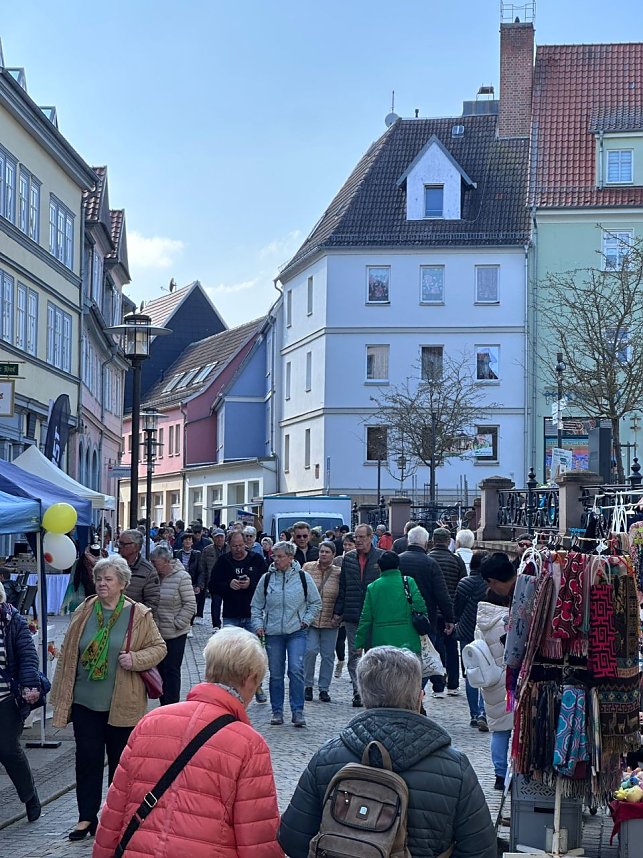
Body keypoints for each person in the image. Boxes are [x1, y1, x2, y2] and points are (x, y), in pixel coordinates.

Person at [278, 646, 497, 858]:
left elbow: (292, 839)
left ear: (364, 696)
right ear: (420, 697)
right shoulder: (455, 767)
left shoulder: (327, 757)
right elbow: (480, 849)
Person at [93, 627, 285, 858]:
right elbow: (256, 838)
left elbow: (115, 808)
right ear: (252, 678)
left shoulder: (150, 722)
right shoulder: (249, 745)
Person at [50, 555, 166, 841]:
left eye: (108, 579)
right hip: (85, 701)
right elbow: (69, 648)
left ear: (122, 584)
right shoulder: (85, 609)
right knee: (87, 759)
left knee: (120, 764)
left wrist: (136, 658)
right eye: (99, 579)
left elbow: (159, 647)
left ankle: (117, 817)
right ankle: (86, 818)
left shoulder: (138, 614)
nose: (102, 584)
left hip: (122, 703)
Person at [251, 541, 321, 727]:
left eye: (281, 556)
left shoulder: (303, 577)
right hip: (273, 632)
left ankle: (297, 711)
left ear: (291, 558)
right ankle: (277, 711)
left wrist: (306, 620)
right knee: (275, 673)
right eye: (275, 556)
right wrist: (258, 624)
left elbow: (315, 602)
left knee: (296, 670)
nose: (277, 560)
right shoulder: (266, 578)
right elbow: (256, 605)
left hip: (296, 631)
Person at [210, 530, 267, 703]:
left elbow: (266, 583)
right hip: (231, 614)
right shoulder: (223, 561)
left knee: (255, 653)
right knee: (229, 654)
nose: (238, 549)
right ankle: (229, 686)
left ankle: (257, 685)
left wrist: (251, 584)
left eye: (241, 545)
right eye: (235, 546)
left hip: (252, 614)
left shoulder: (256, 560)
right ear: (229, 545)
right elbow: (212, 586)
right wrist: (229, 585)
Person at [0, 581, 41, 822]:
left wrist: (29, 685)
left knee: (7, 749)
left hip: (6, 697)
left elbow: (27, 656)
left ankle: (29, 795)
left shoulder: (12, 621)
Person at [476, 552, 517, 790]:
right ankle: (514, 771)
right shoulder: (509, 615)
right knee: (516, 728)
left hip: (492, 682)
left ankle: (500, 775)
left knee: (499, 730)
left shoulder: (482, 620)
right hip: (511, 681)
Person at [332, 523, 382, 707]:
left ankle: (373, 691)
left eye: (362, 537)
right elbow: (343, 587)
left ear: (370, 538)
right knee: (354, 655)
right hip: (353, 614)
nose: (358, 541)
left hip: (375, 615)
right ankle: (358, 691)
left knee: (374, 655)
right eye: (356, 538)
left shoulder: (381, 557)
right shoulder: (349, 559)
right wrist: (338, 611)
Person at [355, 551, 426, 656]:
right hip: (408, 638)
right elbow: (420, 606)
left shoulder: (373, 587)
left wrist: (359, 642)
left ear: (379, 567)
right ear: (398, 565)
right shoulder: (408, 581)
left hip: (381, 642)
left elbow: (365, 618)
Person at [150, 546, 197, 705]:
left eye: (155, 562)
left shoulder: (182, 577)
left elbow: (190, 604)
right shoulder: (155, 577)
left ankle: (172, 705)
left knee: (172, 671)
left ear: (165, 561)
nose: (153, 565)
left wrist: (178, 623)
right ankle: (164, 704)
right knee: (160, 670)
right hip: (158, 632)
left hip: (176, 633)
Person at [453, 550, 489, 730]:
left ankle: (474, 713)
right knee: (488, 671)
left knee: (471, 672)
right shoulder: (490, 585)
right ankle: (483, 711)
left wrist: (454, 622)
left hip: (467, 631)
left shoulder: (464, 583)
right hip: (485, 632)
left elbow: (457, 608)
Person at [429, 527, 466, 697]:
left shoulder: (429, 559)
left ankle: (438, 685)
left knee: (434, 648)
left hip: (431, 611)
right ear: (448, 541)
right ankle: (453, 684)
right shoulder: (456, 560)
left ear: (433, 540)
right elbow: (462, 585)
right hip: (450, 611)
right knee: (451, 649)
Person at [303, 541, 341, 703]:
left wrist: (339, 614)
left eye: (327, 552)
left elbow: (342, 594)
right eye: (322, 551)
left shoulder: (339, 573)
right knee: (310, 651)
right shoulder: (308, 568)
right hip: (311, 619)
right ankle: (307, 685)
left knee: (328, 655)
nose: (323, 554)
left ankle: (324, 688)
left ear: (333, 555)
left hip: (330, 619)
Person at [117, 529, 160, 619]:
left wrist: (135, 617)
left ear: (136, 547)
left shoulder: (148, 571)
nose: (120, 547)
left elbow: (152, 602)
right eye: (119, 543)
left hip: (135, 620)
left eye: (124, 544)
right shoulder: (113, 564)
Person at [198, 527, 227, 630]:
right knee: (215, 604)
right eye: (217, 537)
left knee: (228, 604)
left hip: (228, 580)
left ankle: (228, 624)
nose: (219, 539)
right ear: (213, 538)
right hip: (214, 581)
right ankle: (216, 625)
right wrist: (201, 583)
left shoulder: (230, 549)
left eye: (221, 537)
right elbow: (202, 568)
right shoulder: (207, 550)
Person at [174, 531, 203, 624]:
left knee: (191, 604)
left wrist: (199, 585)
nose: (188, 541)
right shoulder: (177, 553)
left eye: (189, 539)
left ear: (192, 542)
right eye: (186, 539)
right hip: (179, 581)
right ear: (182, 542)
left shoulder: (197, 554)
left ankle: (190, 623)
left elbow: (200, 571)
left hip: (192, 582)